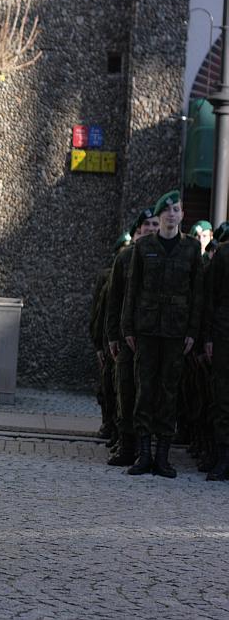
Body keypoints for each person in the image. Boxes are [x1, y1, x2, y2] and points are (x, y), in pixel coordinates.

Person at [121, 190, 203, 478]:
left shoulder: (192, 249)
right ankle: (144, 455)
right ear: (159, 216)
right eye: (166, 210)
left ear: (182, 215)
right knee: (145, 389)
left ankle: (163, 457)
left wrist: (193, 331)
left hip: (177, 331)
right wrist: (127, 327)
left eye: (176, 209)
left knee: (169, 391)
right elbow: (132, 290)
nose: (171, 213)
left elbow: (197, 294)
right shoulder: (144, 249)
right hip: (146, 328)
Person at [104, 209, 158, 467]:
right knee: (125, 389)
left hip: (153, 335)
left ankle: (147, 448)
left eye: (155, 223)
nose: (150, 228)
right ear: (138, 228)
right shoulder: (125, 258)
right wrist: (112, 336)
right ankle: (127, 446)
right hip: (128, 336)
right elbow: (113, 301)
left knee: (149, 392)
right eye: (146, 224)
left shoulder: (160, 257)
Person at [90, 232, 130, 445]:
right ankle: (109, 423)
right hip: (109, 339)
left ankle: (120, 431)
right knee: (107, 386)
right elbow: (99, 312)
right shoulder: (106, 277)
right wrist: (98, 342)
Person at [203, 221, 229, 481]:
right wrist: (208, 337)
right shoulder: (223, 254)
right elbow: (209, 298)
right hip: (224, 335)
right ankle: (223, 456)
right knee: (222, 398)